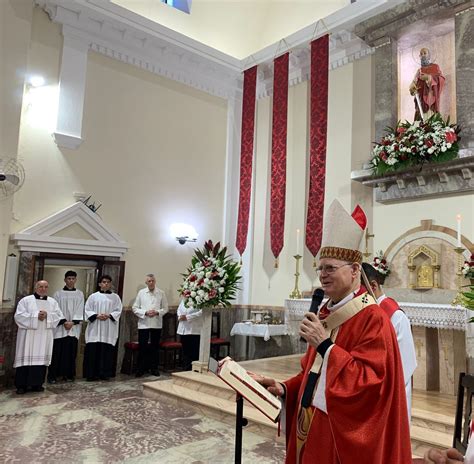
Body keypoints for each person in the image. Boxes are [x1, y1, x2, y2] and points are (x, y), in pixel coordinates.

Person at [252, 199, 412, 463]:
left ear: (354, 271)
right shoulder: (327, 312)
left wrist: (325, 345)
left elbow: (370, 385)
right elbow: (312, 372)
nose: (323, 275)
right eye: (320, 268)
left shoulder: (372, 318)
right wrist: (286, 387)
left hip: (340, 434)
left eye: (330, 268)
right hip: (311, 424)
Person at [362, 262, 417, 420]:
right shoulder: (366, 312)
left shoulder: (395, 316)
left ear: (373, 286)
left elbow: (405, 364)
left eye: (359, 292)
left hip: (390, 393)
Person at [13, 280, 65, 394]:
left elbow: (59, 316)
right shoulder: (26, 300)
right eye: (41, 286)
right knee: (25, 358)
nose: (43, 289)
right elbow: (19, 316)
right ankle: (21, 386)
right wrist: (36, 315)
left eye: (46, 287)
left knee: (41, 360)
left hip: (44, 336)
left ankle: (37, 384)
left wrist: (47, 315)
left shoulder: (52, 302)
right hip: (28, 336)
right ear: (36, 287)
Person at [48, 270, 84, 383]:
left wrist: (73, 322)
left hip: (73, 328)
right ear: (65, 280)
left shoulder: (79, 294)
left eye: (73, 278)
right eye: (69, 278)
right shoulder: (58, 294)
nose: (71, 280)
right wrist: (64, 321)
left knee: (71, 353)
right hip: (60, 328)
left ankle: (69, 375)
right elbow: (55, 309)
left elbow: (80, 308)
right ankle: (53, 376)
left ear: (76, 280)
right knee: (57, 353)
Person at [83, 275, 122, 381]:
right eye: (104, 282)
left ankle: (104, 373)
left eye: (108, 282)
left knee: (106, 351)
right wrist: (96, 315)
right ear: (99, 284)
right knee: (93, 352)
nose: (106, 284)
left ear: (110, 284)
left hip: (108, 328)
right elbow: (87, 309)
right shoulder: (93, 296)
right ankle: (91, 374)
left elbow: (118, 310)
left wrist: (109, 315)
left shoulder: (115, 297)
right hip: (95, 328)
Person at [132, 274, 168, 377]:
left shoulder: (161, 293)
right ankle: (140, 369)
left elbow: (165, 308)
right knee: (143, 347)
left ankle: (154, 368)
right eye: (149, 281)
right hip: (144, 324)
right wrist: (145, 312)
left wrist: (157, 312)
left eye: (152, 281)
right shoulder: (141, 293)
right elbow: (135, 308)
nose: (151, 283)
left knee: (154, 347)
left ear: (155, 281)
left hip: (156, 324)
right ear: (146, 283)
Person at [409, 47, 445, 120]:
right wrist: (412, 87)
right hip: (420, 99)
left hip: (430, 98)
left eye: (425, 53)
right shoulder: (419, 71)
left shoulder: (435, 67)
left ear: (429, 55)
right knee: (421, 119)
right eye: (421, 54)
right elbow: (414, 82)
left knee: (430, 118)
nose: (423, 55)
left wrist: (429, 78)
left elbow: (441, 79)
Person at [177, 299, 202, 371]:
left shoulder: (198, 298)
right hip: (183, 329)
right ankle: (186, 368)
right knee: (185, 351)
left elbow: (201, 312)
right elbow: (179, 310)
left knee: (194, 351)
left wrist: (188, 317)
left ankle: (194, 369)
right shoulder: (183, 300)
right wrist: (180, 316)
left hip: (194, 329)